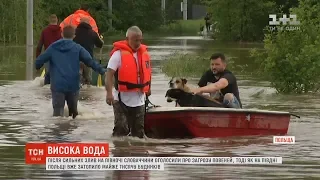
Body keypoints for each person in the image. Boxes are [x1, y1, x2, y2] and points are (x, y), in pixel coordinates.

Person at [35, 25, 106, 119]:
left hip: (58, 85)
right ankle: (73, 132)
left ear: (61, 34)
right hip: (73, 85)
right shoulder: (78, 48)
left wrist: (38, 67)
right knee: (74, 115)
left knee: (57, 115)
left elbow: (39, 61)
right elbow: (90, 62)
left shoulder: (53, 47)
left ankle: (57, 132)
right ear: (74, 36)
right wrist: (103, 71)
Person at [105, 26, 152, 139]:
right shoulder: (118, 55)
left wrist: (149, 88)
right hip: (121, 99)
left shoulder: (144, 54)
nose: (138, 43)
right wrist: (109, 93)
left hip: (139, 99)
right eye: (135, 40)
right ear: (127, 39)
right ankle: (119, 154)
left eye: (140, 40)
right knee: (121, 130)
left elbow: (148, 73)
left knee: (139, 133)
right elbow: (109, 74)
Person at [73, 17, 104, 86]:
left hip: (76, 59)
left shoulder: (74, 32)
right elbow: (100, 45)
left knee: (76, 81)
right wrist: (100, 38)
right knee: (88, 82)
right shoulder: (93, 33)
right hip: (88, 60)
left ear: (80, 22)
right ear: (89, 23)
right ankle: (87, 94)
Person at [36, 14, 62, 85]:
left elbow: (39, 46)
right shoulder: (61, 31)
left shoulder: (45, 31)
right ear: (57, 20)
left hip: (48, 57)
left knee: (48, 77)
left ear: (49, 21)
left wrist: (38, 60)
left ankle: (47, 93)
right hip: (60, 57)